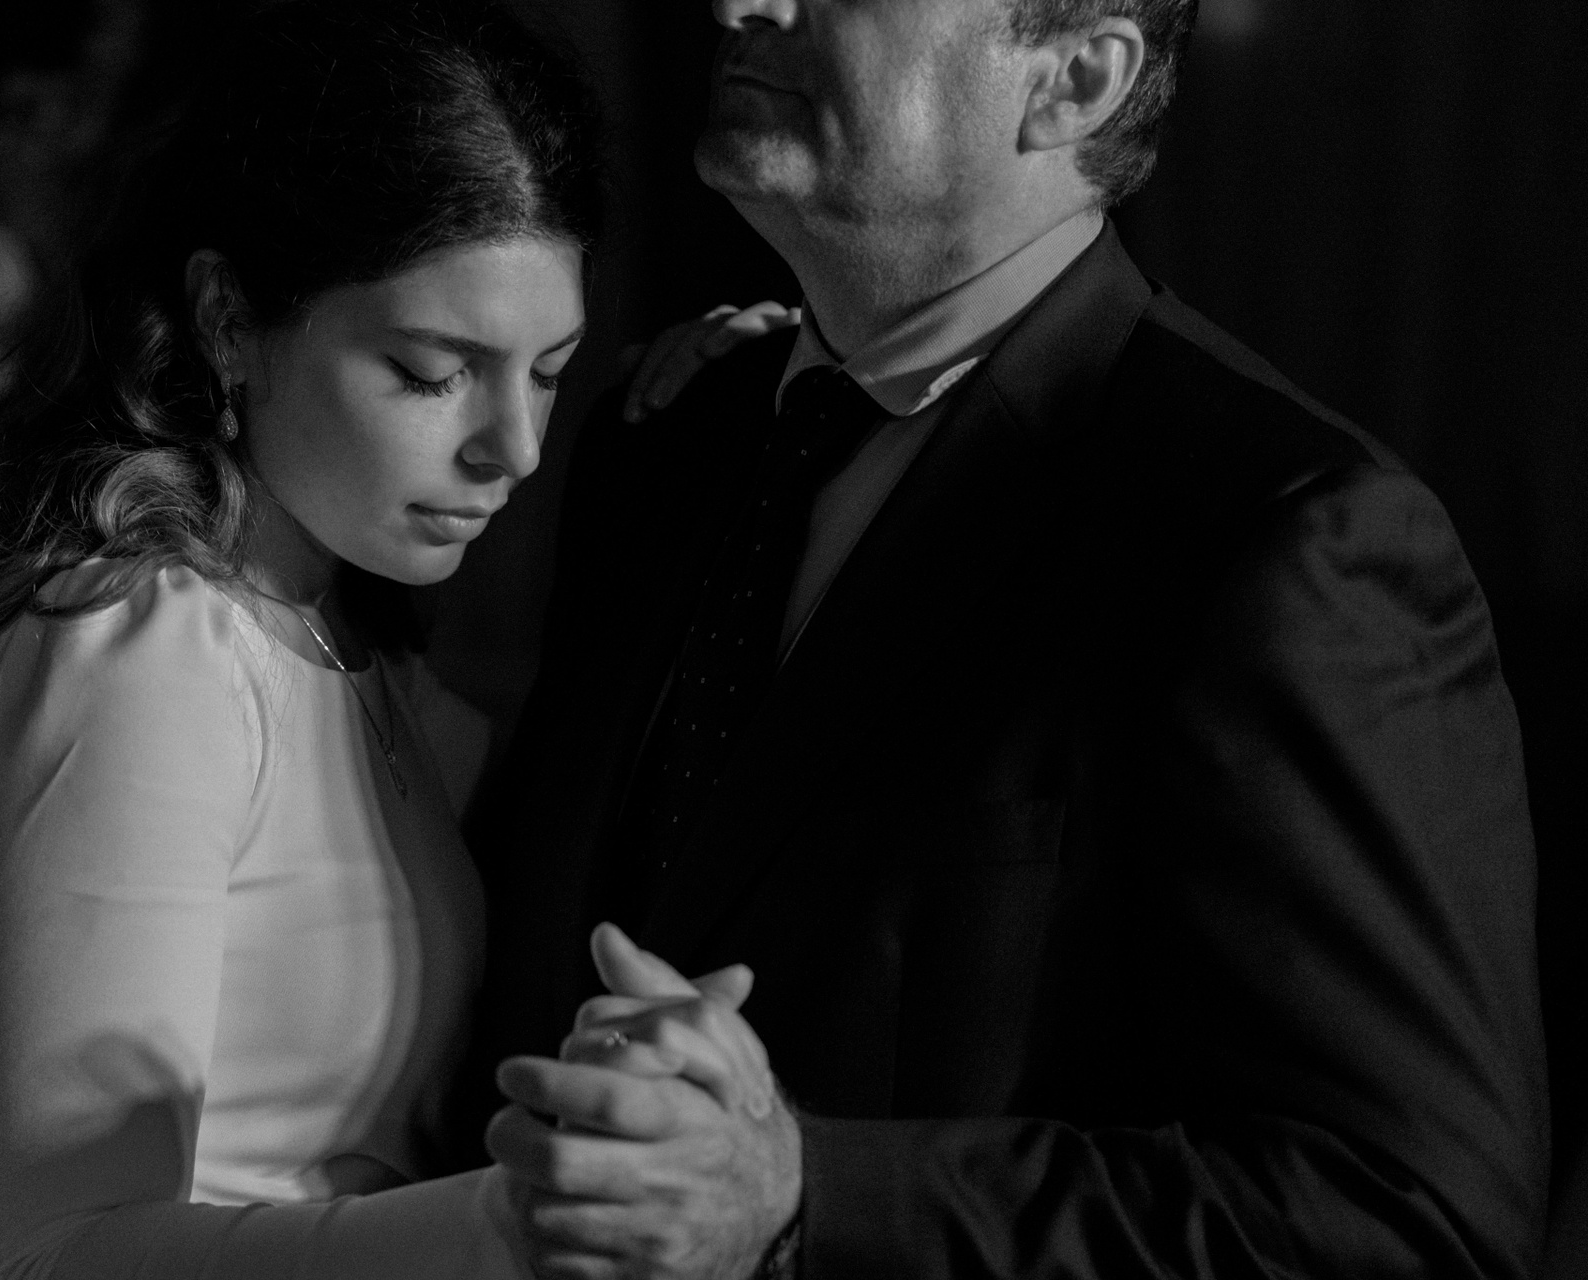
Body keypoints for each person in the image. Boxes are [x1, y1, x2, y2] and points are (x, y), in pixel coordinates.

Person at [467, 0, 1551, 1277]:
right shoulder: (661, 442)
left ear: (1074, 80)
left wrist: (808, 1198)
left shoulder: (1279, 538)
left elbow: (1412, 1213)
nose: (742, 4)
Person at [0, 4, 676, 1277]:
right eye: (432, 370)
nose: (514, 447)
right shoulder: (143, 648)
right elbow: (47, 1253)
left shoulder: (338, 638)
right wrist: (530, 1222)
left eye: (548, 369)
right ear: (229, 319)